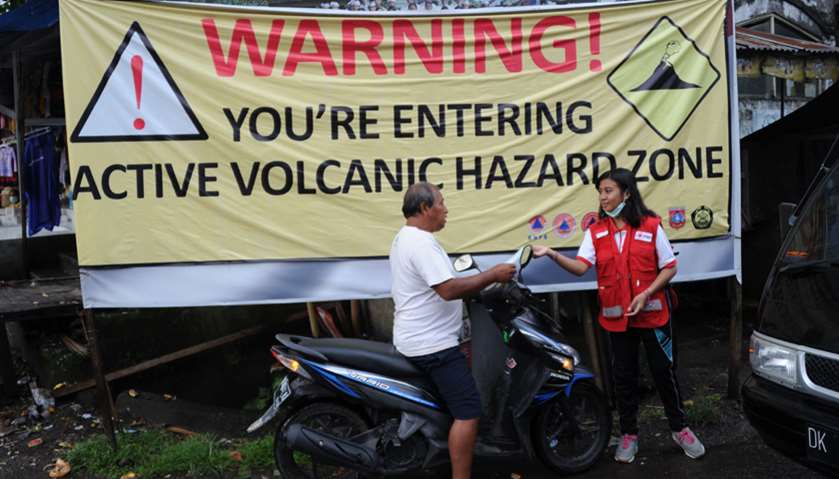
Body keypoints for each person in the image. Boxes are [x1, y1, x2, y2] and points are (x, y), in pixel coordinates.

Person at [532, 168, 706, 464]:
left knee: (663, 373)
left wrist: (646, 293)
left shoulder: (651, 226)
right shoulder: (596, 232)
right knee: (623, 378)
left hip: (654, 317)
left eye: (608, 191)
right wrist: (551, 253)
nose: (603, 197)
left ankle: (680, 429)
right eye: (600, 192)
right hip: (617, 319)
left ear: (626, 194)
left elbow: (670, 267)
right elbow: (580, 267)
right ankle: (629, 435)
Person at [390, 182, 516, 479]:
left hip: (416, 338)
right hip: (433, 346)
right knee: (468, 411)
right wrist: (493, 275)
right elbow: (447, 289)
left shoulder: (406, 237)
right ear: (425, 208)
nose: (446, 209)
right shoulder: (421, 243)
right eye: (441, 203)